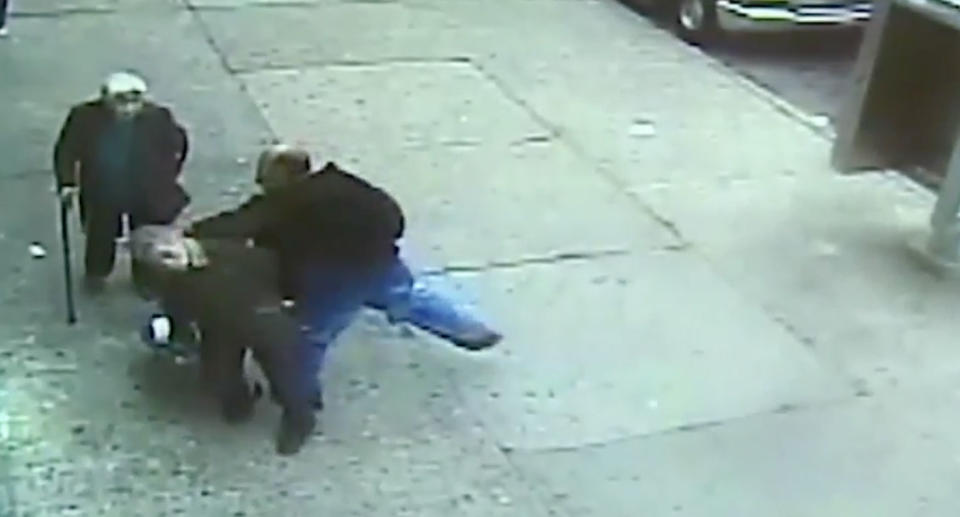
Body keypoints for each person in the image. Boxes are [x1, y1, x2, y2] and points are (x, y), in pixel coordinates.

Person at [186, 145, 502, 408]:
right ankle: (472, 332)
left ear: (284, 174)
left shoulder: (286, 203)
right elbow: (393, 217)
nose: (258, 181)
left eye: (264, 175)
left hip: (334, 279)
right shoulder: (345, 186)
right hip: (380, 262)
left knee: (310, 336)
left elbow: (241, 222)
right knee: (409, 298)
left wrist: (191, 236)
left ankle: (301, 396)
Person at [130, 225, 316, 456]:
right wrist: (177, 329)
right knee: (219, 374)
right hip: (218, 325)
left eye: (169, 254)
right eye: (160, 261)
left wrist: (288, 304)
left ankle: (299, 418)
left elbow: (277, 272)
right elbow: (175, 302)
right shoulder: (168, 277)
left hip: (263, 318)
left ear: (180, 239)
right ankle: (240, 400)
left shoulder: (234, 253)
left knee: (285, 377)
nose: (169, 263)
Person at [53, 71, 190, 293]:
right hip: (104, 191)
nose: (127, 109)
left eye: (134, 102)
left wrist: (169, 173)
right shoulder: (84, 117)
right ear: (106, 100)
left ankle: (145, 279)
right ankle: (97, 274)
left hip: (144, 192)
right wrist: (67, 182)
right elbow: (66, 150)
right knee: (100, 235)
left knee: (146, 236)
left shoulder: (158, 117)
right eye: (120, 103)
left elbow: (178, 143)